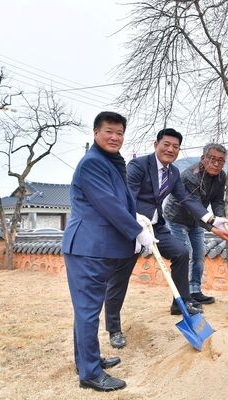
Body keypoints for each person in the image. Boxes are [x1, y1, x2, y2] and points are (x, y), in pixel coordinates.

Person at [103, 128, 228, 349]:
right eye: (166, 144)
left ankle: (180, 303)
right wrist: (136, 223)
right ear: (156, 145)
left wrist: (211, 219)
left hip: (156, 226)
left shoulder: (173, 173)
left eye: (175, 147)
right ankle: (114, 329)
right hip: (131, 226)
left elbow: (187, 199)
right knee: (120, 277)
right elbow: (127, 198)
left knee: (181, 253)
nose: (170, 149)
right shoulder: (138, 166)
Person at [62, 111, 158, 391]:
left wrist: (138, 217)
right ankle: (90, 374)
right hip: (87, 248)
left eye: (119, 133)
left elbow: (120, 200)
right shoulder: (93, 163)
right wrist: (136, 230)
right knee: (88, 311)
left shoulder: (111, 162)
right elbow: (108, 204)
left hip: (98, 248)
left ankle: (87, 361)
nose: (115, 137)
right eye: (109, 131)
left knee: (87, 309)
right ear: (96, 133)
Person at [163, 143, 228, 305]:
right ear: (203, 158)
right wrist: (214, 228)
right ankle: (183, 297)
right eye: (212, 159)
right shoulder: (190, 176)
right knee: (184, 254)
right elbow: (195, 207)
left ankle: (195, 291)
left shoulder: (221, 177)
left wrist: (222, 220)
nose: (216, 164)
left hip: (197, 221)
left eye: (220, 161)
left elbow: (218, 201)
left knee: (199, 255)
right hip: (177, 218)